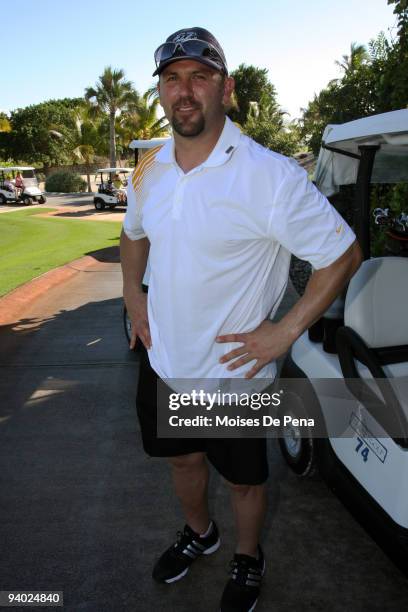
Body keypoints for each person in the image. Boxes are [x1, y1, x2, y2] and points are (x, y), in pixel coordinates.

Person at [120, 27, 362, 612]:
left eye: (199, 77)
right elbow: (132, 235)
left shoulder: (270, 176)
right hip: (165, 362)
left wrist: (283, 332)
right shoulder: (149, 169)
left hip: (234, 377)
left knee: (246, 481)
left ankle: (248, 558)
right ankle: (202, 535)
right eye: (173, 79)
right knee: (181, 458)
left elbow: (343, 254)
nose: (185, 91)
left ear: (224, 89)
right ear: (161, 93)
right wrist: (132, 294)